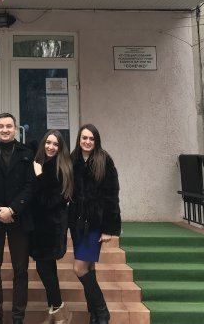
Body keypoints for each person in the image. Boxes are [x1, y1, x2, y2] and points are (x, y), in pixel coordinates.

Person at [0, 113, 35, 324]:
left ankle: (18, 316)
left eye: (9, 126)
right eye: (1, 126)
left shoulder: (27, 153)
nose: (5, 130)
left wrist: (12, 210)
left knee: (21, 270)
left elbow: (31, 186)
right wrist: (0, 210)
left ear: (15, 128)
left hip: (19, 218)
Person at [68, 124, 121, 324]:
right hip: (77, 223)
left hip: (95, 223)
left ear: (96, 141)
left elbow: (112, 196)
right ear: (79, 139)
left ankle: (103, 311)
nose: (87, 142)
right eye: (84, 138)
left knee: (79, 268)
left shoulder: (104, 160)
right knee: (89, 267)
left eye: (91, 138)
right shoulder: (72, 159)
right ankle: (94, 314)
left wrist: (108, 229)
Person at [31, 130, 73, 324]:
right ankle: (54, 311)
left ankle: (61, 312)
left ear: (60, 148)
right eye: (48, 142)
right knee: (49, 269)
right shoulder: (39, 162)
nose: (51, 147)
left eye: (55, 144)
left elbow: (49, 201)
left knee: (44, 269)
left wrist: (39, 176)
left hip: (51, 229)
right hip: (39, 228)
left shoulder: (61, 168)